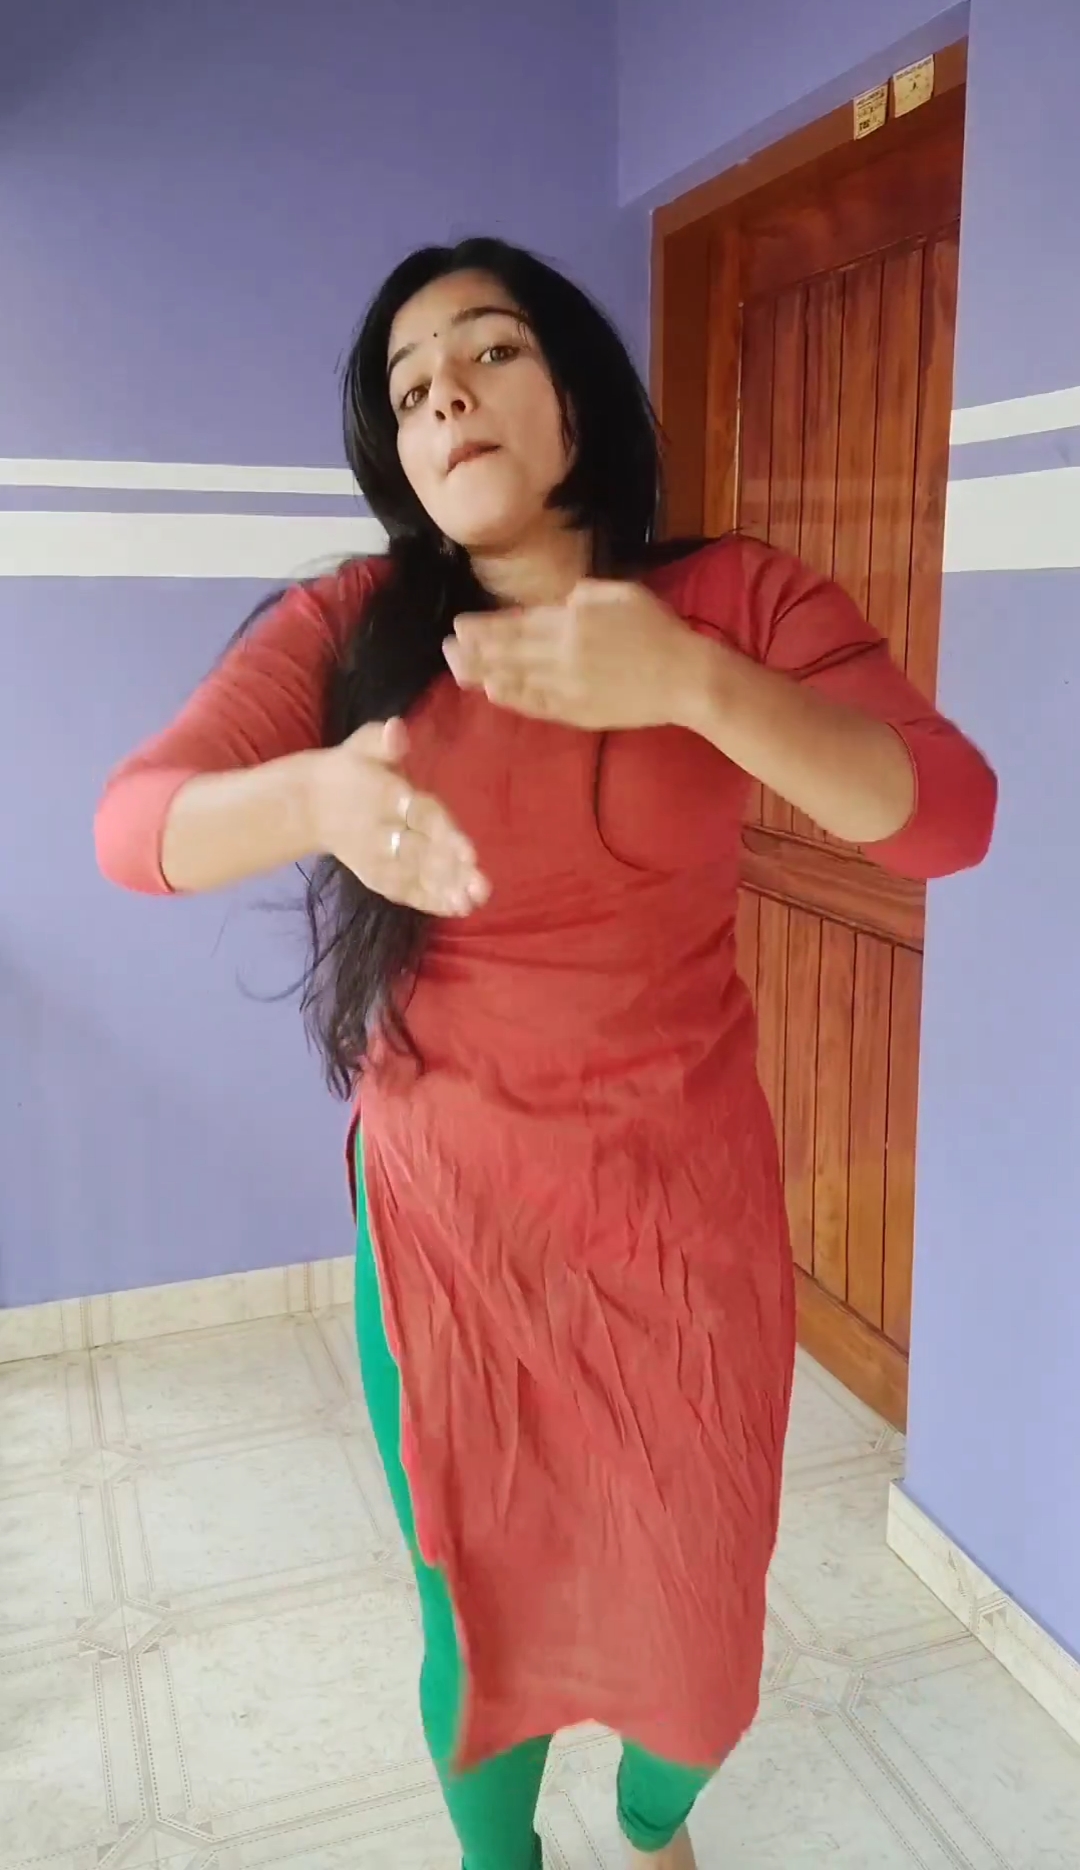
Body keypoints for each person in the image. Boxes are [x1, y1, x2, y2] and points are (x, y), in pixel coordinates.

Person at [95, 236, 997, 1870]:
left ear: (574, 387)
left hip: (681, 1217)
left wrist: (696, 684)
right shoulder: (351, 624)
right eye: (410, 389)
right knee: (482, 1621)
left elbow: (947, 817)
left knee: (700, 1654)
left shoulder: (737, 599)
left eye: (490, 351)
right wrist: (311, 798)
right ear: (398, 453)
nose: (447, 395)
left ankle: (654, 1830)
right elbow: (132, 826)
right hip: (447, 1225)